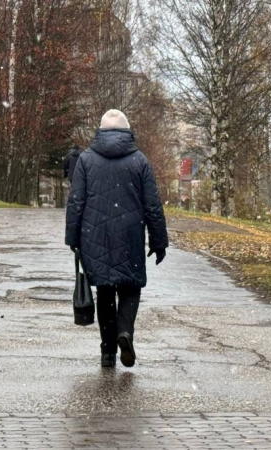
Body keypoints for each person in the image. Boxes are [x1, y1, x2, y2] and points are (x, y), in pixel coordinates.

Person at [65, 110, 168, 369]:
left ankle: (107, 352)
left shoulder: (86, 160)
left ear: (100, 131)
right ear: (127, 132)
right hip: (130, 234)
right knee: (130, 286)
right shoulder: (139, 161)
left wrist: (73, 238)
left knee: (105, 291)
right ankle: (125, 332)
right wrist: (158, 240)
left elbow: (76, 202)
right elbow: (153, 205)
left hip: (94, 235)